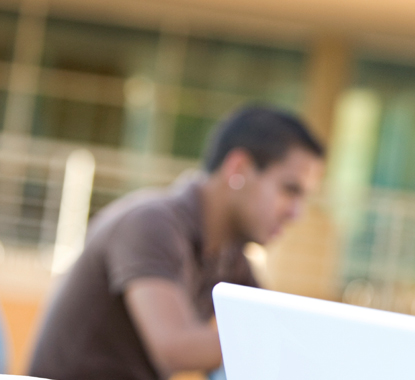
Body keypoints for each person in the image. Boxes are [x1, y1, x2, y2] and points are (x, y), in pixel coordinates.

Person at [28, 106, 326, 380]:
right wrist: (295, 341)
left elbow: (269, 325)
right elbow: (175, 346)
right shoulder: (151, 223)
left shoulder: (229, 253)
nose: (296, 213)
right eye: (289, 190)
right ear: (238, 169)